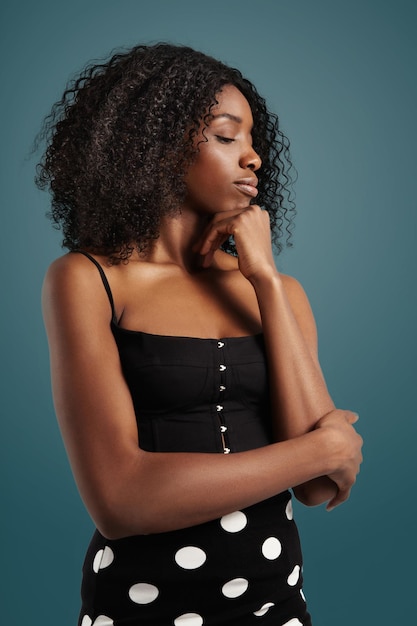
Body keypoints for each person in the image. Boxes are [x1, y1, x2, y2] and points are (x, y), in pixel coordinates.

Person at [37, 43, 363, 626]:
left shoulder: (279, 294)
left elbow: (317, 488)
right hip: (142, 607)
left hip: (277, 606)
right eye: (226, 135)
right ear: (158, 148)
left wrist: (263, 279)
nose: (254, 158)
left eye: (253, 139)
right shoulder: (89, 281)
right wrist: (322, 447)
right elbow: (121, 498)